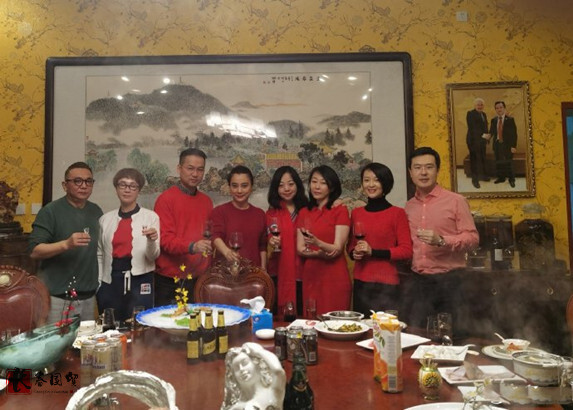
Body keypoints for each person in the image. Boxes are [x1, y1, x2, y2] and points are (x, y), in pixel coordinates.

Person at [404, 147, 479, 330]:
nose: (423, 172)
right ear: (410, 172)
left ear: (437, 170)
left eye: (429, 167)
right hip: (418, 282)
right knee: (419, 335)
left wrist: (442, 240)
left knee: (452, 335)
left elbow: (473, 239)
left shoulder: (456, 201)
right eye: (417, 167)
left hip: (450, 281)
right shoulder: (409, 206)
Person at [28, 162, 103, 323]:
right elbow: (34, 251)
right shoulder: (50, 211)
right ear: (65, 185)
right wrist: (66, 244)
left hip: (88, 296)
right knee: (56, 340)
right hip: (56, 297)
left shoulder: (96, 211)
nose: (84, 186)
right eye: (77, 181)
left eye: (88, 181)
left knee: (86, 339)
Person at [348, 162, 412, 317]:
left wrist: (373, 252)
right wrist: (353, 253)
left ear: (385, 183)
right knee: (361, 328)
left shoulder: (397, 213)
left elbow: (406, 250)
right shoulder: (356, 213)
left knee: (385, 328)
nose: (371, 184)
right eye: (366, 180)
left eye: (376, 180)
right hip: (361, 282)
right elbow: (350, 246)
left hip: (387, 284)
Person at [97, 168, 160, 322]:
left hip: (141, 279)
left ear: (139, 190)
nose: (127, 189)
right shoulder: (105, 219)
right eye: (123, 185)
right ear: (116, 189)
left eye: (133, 186)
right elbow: (100, 253)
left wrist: (151, 240)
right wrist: (99, 283)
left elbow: (153, 256)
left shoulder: (150, 217)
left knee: (140, 325)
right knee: (110, 326)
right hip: (111, 280)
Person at [153, 148, 213, 307]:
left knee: (199, 321)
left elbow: (210, 235)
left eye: (200, 169)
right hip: (171, 279)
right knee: (170, 322)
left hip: (199, 278)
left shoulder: (207, 201)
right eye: (190, 168)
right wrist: (193, 246)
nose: (195, 174)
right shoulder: (165, 199)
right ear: (179, 168)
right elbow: (164, 239)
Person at [297, 165, 351, 315]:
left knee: (336, 321)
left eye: (323, 183)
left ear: (331, 187)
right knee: (312, 320)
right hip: (311, 274)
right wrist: (318, 254)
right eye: (314, 182)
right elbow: (300, 248)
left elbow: (337, 248)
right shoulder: (304, 212)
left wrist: (317, 243)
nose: (317, 186)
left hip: (335, 275)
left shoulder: (340, 210)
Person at [266, 166, 308, 316]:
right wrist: (272, 243)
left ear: (297, 185)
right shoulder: (271, 213)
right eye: (281, 185)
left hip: (304, 271)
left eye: (290, 184)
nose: (286, 189)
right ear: (275, 188)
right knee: (282, 317)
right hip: (280, 272)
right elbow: (267, 241)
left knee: (304, 314)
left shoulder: (307, 210)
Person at [212, 165, 267, 270]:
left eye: (244, 186)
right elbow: (215, 236)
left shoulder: (260, 214)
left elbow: (262, 245)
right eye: (234, 186)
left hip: (253, 273)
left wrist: (263, 271)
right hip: (226, 273)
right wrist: (227, 252)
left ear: (251, 187)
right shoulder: (219, 211)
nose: (239, 190)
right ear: (229, 187)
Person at [222, 342, 286, 410]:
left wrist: (259, 352)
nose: (241, 369)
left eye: (245, 363)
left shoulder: (272, 390)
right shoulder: (237, 406)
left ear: (256, 363)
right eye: (236, 368)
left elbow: (278, 370)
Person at [490, 100, 518, 188]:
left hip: (508, 145)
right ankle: (501, 178)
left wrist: (513, 146)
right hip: (497, 144)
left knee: (509, 163)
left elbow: (514, 134)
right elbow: (491, 132)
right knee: (499, 162)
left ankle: (511, 179)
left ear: (504, 108)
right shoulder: (494, 120)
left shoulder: (510, 120)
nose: (499, 109)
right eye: (497, 108)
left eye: (501, 107)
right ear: (495, 109)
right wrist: (485, 136)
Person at [466, 97, 490, 189]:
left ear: (483, 106)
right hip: (473, 141)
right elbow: (472, 127)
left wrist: (487, 137)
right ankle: (475, 180)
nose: (480, 106)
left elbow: (485, 127)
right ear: (474, 105)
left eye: (481, 105)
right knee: (474, 160)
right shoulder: (470, 114)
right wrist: (483, 135)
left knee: (483, 158)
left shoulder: (484, 114)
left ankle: (483, 176)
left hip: (482, 141)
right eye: (478, 105)